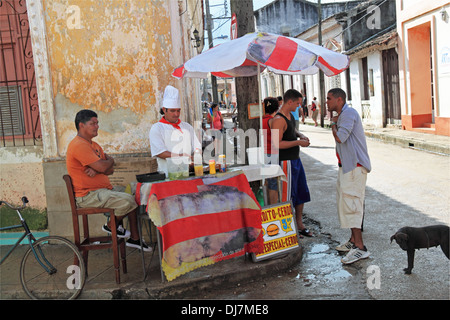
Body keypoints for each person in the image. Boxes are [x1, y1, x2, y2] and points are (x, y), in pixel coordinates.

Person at [66, 109, 151, 251]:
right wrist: (103, 165)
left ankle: (134, 238)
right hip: (88, 195)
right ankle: (111, 225)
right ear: (81, 125)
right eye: (93, 123)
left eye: (97, 123)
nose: (97, 126)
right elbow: (104, 166)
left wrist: (102, 166)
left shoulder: (94, 145)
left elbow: (110, 169)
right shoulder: (79, 145)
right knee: (128, 200)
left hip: (103, 191)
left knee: (134, 193)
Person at [326, 88, 371, 264]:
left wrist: (332, 123)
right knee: (345, 203)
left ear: (339, 99)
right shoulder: (344, 114)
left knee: (352, 205)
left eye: (329, 99)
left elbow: (341, 138)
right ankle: (353, 241)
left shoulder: (349, 113)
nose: (327, 102)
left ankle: (360, 247)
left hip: (355, 167)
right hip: (347, 167)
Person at [271, 89, 312, 237]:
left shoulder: (288, 115)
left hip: (295, 160)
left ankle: (299, 223)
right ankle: (288, 229)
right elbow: (277, 144)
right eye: (297, 103)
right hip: (285, 162)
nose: (299, 107)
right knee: (287, 196)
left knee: (301, 192)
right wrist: (298, 142)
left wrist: (300, 135)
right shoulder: (278, 119)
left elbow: (292, 129)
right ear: (290, 102)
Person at [149, 85, 202, 176]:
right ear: (164, 110)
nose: (176, 114)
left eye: (178, 110)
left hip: (188, 173)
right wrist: (182, 157)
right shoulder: (157, 128)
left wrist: (195, 157)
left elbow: (197, 146)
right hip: (167, 175)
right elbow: (160, 153)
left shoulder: (187, 127)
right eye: (172, 111)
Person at [262, 96, 280, 205]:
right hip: (272, 154)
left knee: (267, 182)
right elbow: (277, 140)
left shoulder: (262, 120)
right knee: (273, 183)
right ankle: (273, 207)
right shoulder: (272, 121)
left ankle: (267, 204)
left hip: (263, 154)